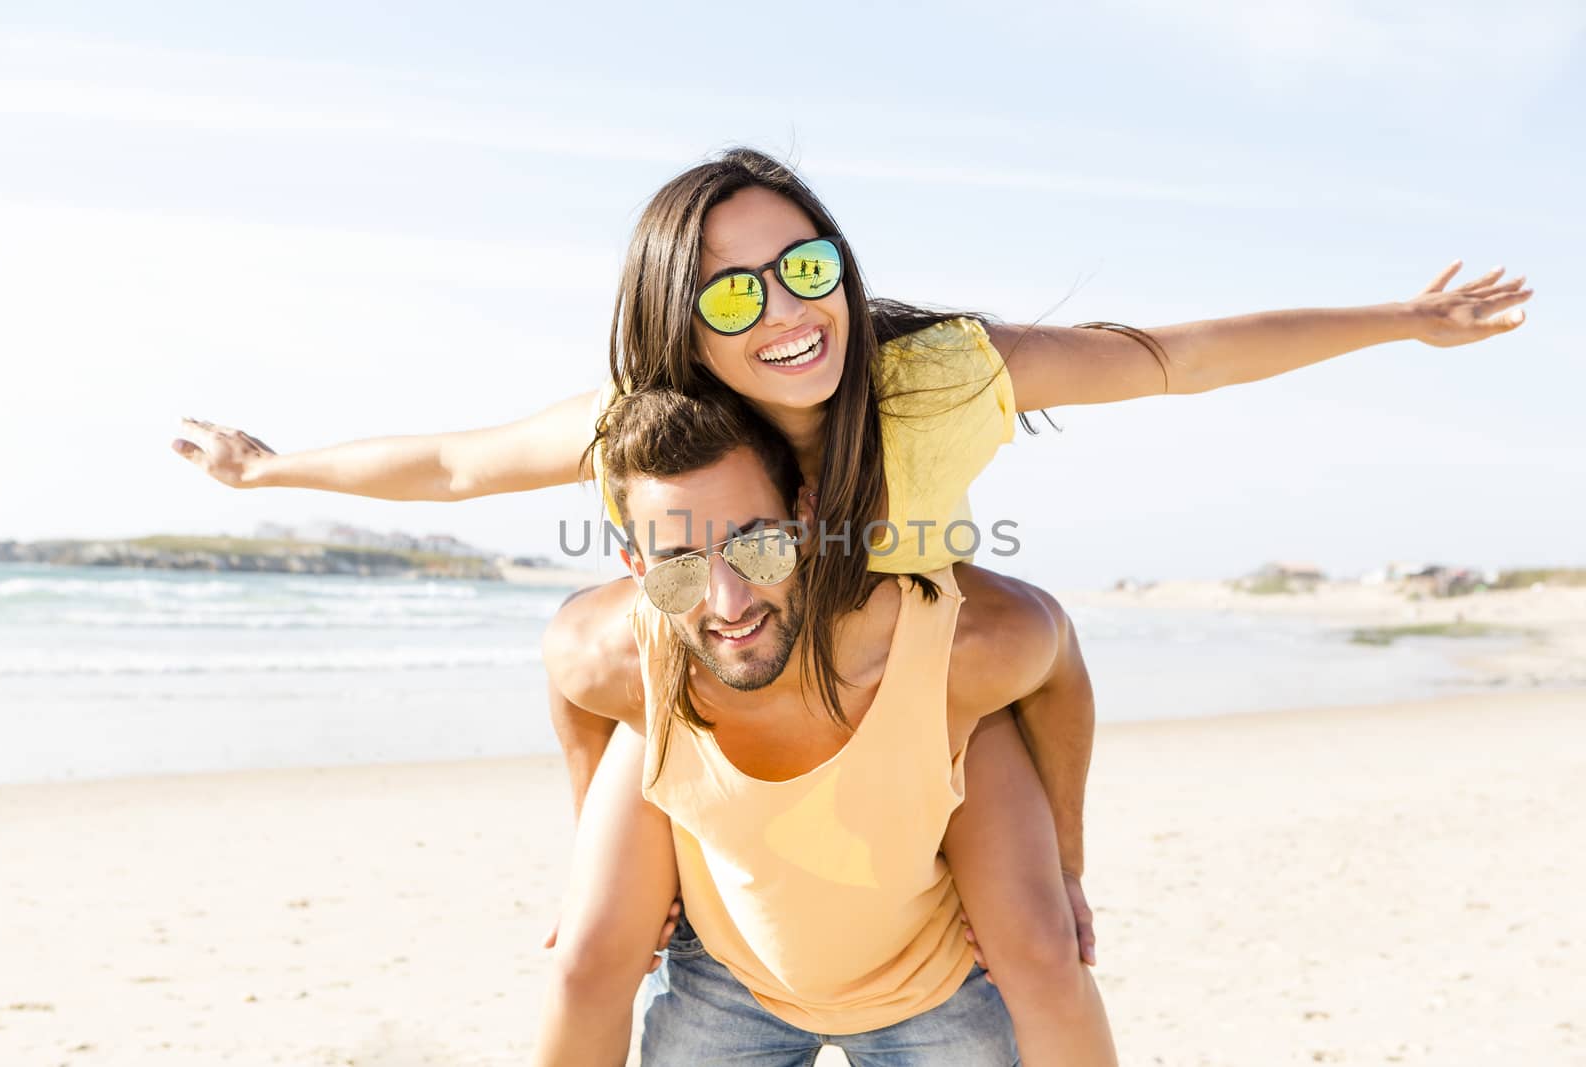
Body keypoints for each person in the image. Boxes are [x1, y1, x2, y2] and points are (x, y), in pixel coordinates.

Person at [170, 148, 1532, 1058]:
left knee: (1044, 949)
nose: (788, 310)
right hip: (725, 685)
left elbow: (1169, 357)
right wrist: (268, 464)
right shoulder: (649, 429)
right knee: (590, 944)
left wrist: (1399, 322)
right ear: (676, 317)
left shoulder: (930, 375)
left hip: (913, 682)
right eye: (735, 289)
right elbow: (458, 463)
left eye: (807, 265)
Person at [542, 385, 1115, 1065]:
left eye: (754, 544)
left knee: (1050, 956)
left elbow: (1059, 664)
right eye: (678, 566)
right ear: (637, 568)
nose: (728, 602)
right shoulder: (608, 653)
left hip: (931, 983)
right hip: (730, 979)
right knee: (580, 961)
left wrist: (1067, 863)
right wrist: (589, 856)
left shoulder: (962, 640)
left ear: (805, 519)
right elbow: (571, 684)